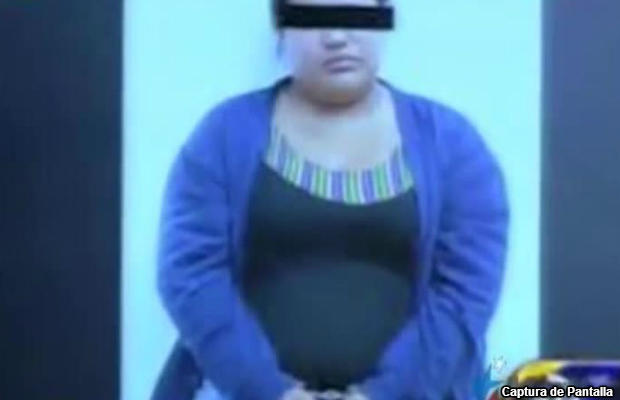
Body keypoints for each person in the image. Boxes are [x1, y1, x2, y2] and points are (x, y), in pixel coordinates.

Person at [152, 0, 509, 400]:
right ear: (280, 27)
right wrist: (271, 391)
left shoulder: (453, 145)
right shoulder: (223, 135)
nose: (337, 36)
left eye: (355, 14)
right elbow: (190, 276)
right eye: (313, 18)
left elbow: (465, 294)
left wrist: (382, 395)